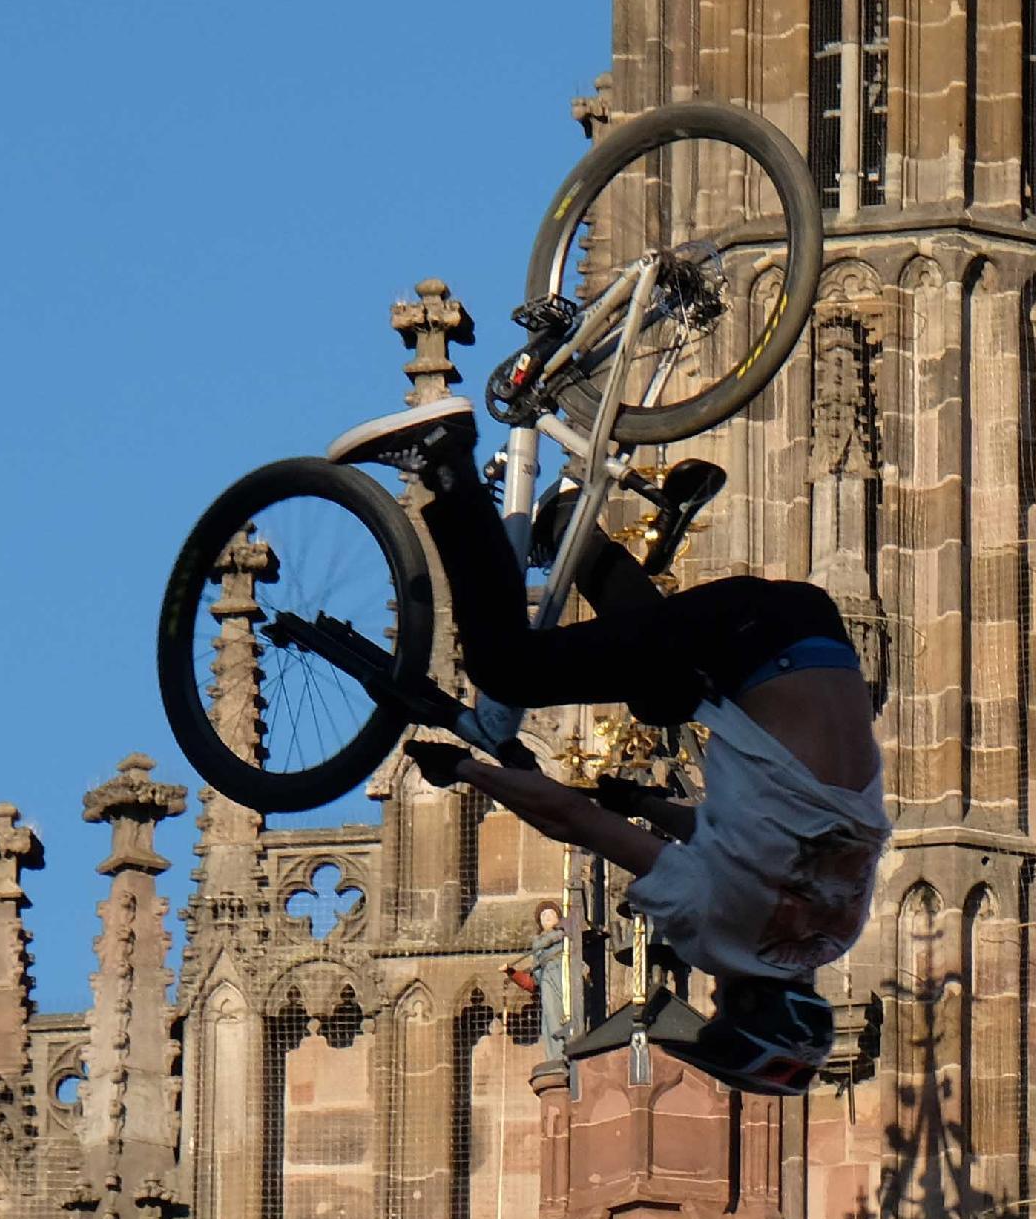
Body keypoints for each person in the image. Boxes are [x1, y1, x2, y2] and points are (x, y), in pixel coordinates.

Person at [329, 397, 891, 1093]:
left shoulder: (838, 918)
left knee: (657, 696)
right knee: (508, 667)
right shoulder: (720, 932)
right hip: (748, 646)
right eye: (720, 1007)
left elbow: (735, 845)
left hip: (813, 631)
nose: (710, 994)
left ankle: (573, 532)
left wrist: (647, 804)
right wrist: (469, 767)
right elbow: (577, 822)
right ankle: (444, 461)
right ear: (745, 1004)